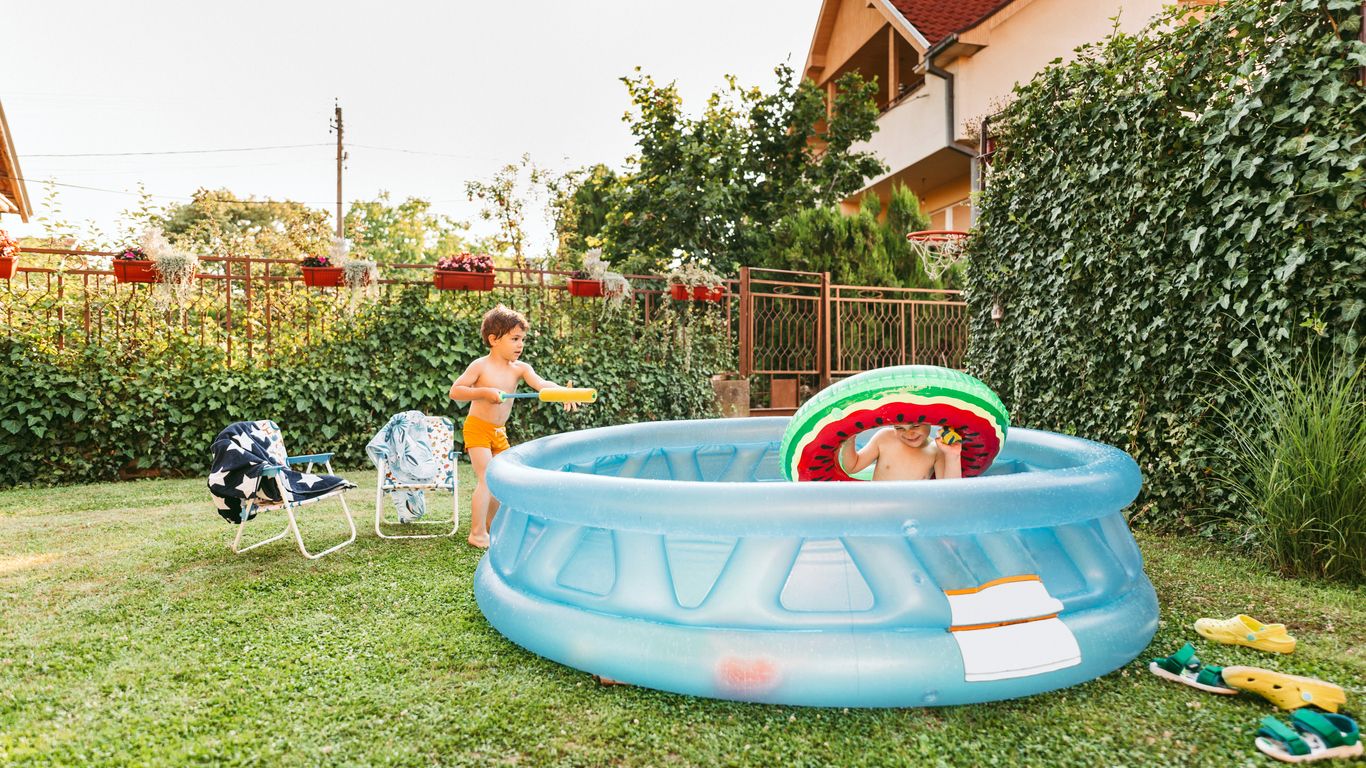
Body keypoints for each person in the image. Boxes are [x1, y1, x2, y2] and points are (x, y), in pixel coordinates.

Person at [449, 304, 578, 548]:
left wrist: (562, 392)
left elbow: (542, 385)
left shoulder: (520, 368)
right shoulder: (480, 366)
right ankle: (476, 533)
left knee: (500, 479)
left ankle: (492, 526)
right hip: (477, 427)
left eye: (522, 339)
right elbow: (455, 391)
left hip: (499, 432)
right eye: (514, 339)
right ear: (493, 339)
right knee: (486, 478)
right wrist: (485, 392)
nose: (520, 345)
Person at [838, 422, 962, 481]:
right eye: (899, 428)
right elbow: (852, 467)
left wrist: (952, 455)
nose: (909, 433)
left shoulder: (935, 449)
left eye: (915, 426)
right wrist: (850, 439)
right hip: (879, 508)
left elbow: (948, 490)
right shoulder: (884, 437)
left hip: (911, 513)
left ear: (929, 421)